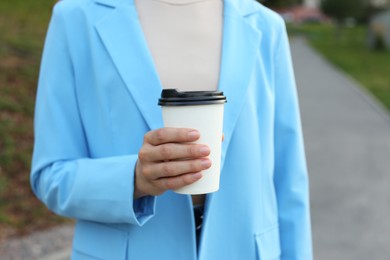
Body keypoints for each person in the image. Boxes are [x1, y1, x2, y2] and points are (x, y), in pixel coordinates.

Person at [31, 0, 313, 259]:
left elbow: (289, 182)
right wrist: (134, 179)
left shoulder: (265, 25)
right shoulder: (75, 18)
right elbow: (51, 175)